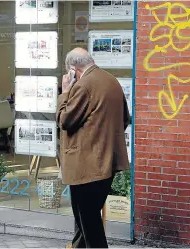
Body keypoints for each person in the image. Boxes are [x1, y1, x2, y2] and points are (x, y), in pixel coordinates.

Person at [56, 48, 130, 248]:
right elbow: (125, 119)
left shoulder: (83, 86)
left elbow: (64, 121)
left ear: (73, 70)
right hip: (106, 162)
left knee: (88, 222)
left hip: (86, 166)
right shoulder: (111, 80)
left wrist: (64, 93)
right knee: (84, 222)